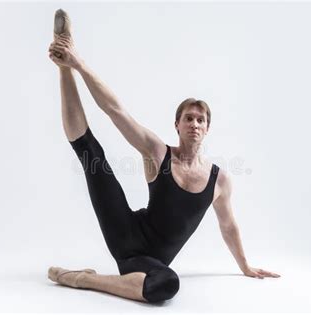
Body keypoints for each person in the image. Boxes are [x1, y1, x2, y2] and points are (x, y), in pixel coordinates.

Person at [47, 9, 280, 304]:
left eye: (200, 120)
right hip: (124, 231)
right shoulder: (157, 152)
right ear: (177, 125)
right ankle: (63, 65)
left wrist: (245, 266)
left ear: (207, 128)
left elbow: (228, 225)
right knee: (91, 154)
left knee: (166, 284)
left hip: (145, 263)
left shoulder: (219, 180)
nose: (194, 124)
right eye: (188, 118)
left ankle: (83, 278)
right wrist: (77, 64)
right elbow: (116, 110)